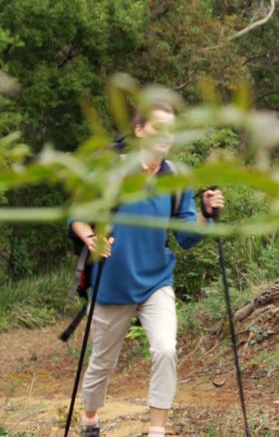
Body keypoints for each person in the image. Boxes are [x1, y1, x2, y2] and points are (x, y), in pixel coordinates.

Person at [69, 101, 225, 437]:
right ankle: (91, 420)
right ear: (139, 131)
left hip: (156, 280)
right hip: (112, 283)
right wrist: (92, 236)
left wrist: (207, 215)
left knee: (166, 349)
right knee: (102, 362)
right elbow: (77, 216)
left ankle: (157, 430)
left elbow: (186, 237)